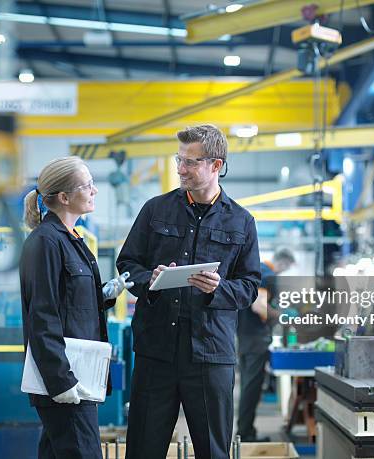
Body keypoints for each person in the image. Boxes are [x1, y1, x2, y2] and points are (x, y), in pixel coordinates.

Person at [117, 124, 261, 459]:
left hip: (210, 355)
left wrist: (219, 289)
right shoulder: (155, 211)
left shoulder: (241, 222)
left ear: (216, 165)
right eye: (178, 160)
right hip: (157, 352)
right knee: (143, 449)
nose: (180, 169)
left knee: (213, 451)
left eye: (190, 162)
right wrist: (149, 281)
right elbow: (128, 264)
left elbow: (250, 286)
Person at [20, 156, 132, 459]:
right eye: (88, 185)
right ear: (65, 197)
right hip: (67, 380)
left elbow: (70, 303)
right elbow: (42, 317)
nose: (95, 191)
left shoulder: (72, 239)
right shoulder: (45, 243)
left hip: (78, 375)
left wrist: (106, 294)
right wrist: (61, 380)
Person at [236, 248, 296, 442]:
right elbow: (259, 306)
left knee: (248, 385)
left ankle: (245, 431)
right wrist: (282, 316)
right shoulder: (267, 275)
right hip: (256, 339)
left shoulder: (258, 271)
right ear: (283, 263)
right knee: (251, 388)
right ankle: (246, 434)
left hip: (245, 337)